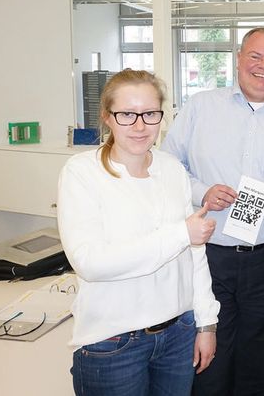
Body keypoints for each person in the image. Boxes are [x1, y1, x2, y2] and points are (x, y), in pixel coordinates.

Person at [162, 27, 264, 396]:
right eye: (256, 56)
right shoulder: (200, 107)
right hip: (208, 255)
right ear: (238, 59)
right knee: (209, 356)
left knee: (258, 358)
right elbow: (167, 166)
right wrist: (202, 192)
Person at [57, 69, 220, 396]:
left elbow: (194, 257)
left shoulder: (172, 169)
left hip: (178, 333)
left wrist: (206, 323)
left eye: (150, 113)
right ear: (107, 117)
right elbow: (90, 263)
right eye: (127, 114)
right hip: (112, 342)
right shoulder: (82, 173)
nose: (140, 125)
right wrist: (180, 234)